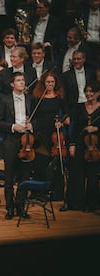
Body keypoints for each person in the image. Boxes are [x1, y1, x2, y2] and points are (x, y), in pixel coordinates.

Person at [0, 72, 36, 220]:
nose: (21, 82)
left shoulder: (31, 99)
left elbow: (37, 119)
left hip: (27, 140)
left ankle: (21, 207)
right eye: (18, 80)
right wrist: (13, 126)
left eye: (23, 80)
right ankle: (10, 208)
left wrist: (32, 125)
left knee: (25, 175)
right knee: (10, 176)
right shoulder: (4, 100)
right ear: (12, 84)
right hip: (11, 140)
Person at [61, 82, 100, 212]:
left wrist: (97, 128)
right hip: (80, 142)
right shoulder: (79, 107)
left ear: (98, 93)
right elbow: (74, 127)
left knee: (93, 174)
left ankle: (91, 203)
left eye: (92, 92)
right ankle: (72, 202)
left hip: (96, 145)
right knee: (75, 172)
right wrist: (72, 144)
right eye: (87, 91)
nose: (89, 94)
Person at [32, 71, 70, 201]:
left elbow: (66, 113)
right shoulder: (38, 97)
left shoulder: (59, 97)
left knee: (55, 163)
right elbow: (33, 115)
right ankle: (39, 193)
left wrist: (61, 121)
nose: (50, 84)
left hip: (54, 133)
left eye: (52, 82)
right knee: (40, 163)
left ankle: (56, 193)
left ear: (55, 83)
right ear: (43, 83)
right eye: (47, 82)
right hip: (40, 133)